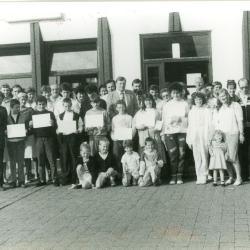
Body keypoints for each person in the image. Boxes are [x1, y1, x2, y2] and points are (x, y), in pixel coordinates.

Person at [213, 89, 244, 186]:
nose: (223, 97)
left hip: (233, 133)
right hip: (221, 135)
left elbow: (240, 121)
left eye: (224, 95)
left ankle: (239, 178)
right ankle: (231, 177)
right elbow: (216, 123)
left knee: (233, 157)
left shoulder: (235, 105)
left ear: (228, 95)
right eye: (221, 96)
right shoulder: (219, 108)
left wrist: (241, 134)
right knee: (225, 158)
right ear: (218, 98)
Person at [162, 82, 189, 185]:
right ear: (171, 94)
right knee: (173, 154)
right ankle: (173, 175)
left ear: (181, 93)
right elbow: (164, 119)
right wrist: (163, 133)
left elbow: (188, 118)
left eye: (178, 93)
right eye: (174, 93)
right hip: (170, 132)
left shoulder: (185, 103)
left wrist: (180, 118)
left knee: (182, 154)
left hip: (182, 131)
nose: (176, 95)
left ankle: (180, 175)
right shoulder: (167, 105)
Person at [30, 95, 58, 186]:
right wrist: (30, 125)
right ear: (36, 105)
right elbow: (30, 129)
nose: (41, 106)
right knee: (40, 160)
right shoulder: (33, 114)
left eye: (43, 104)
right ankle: (42, 180)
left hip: (49, 138)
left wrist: (53, 124)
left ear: (46, 104)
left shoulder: (50, 113)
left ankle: (54, 179)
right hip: (38, 139)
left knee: (51, 159)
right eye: (39, 104)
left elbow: (55, 127)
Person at [186, 92, 212, 184]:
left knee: (204, 155)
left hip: (204, 135)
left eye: (200, 99)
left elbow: (209, 124)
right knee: (197, 156)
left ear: (203, 100)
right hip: (194, 135)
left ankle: (205, 174)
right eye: (196, 99)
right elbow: (189, 126)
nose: (198, 101)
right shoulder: (191, 112)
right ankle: (199, 175)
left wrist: (209, 137)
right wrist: (189, 139)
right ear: (194, 101)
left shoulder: (206, 110)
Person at [57, 98, 83, 186]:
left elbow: (80, 127)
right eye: (65, 106)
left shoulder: (76, 115)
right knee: (64, 157)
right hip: (64, 138)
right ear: (63, 106)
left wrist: (78, 130)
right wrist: (58, 130)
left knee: (73, 157)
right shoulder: (60, 116)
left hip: (73, 138)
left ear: (71, 105)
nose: (67, 107)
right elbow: (58, 127)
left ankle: (74, 178)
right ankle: (65, 178)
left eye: (69, 106)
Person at [134, 94, 166, 163]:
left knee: (156, 152)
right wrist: (140, 126)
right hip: (143, 134)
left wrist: (156, 128)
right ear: (143, 102)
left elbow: (160, 123)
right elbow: (135, 125)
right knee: (144, 154)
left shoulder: (156, 111)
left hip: (154, 134)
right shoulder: (139, 112)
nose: (148, 102)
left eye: (149, 100)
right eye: (146, 100)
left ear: (152, 101)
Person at [6, 99, 29, 188]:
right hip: (10, 142)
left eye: (19, 107)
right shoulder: (7, 118)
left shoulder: (23, 116)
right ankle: (13, 180)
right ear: (11, 108)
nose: (18, 109)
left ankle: (21, 180)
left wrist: (26, 130)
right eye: (16, 107)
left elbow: (26, 127)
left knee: (20, 161)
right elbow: (4, 128)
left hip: (20, 141)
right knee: (12, 162)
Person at [111, 100, 135, 173]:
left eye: (122, 106)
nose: (120, 108)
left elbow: (133, 129)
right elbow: (112, 130)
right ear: (116, 108)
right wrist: (113, 138)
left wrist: (130, 137)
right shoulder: (114, 118)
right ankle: (119, 174)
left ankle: (129, 174)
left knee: (128, 157)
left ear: (125, 107)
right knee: (117, 156)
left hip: (127, 140)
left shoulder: (129, 117)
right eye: (119, 107)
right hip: (117, 140)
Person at [18, 92, 36, 182]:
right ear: (18, 100)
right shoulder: (15, 111)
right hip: (18, 137)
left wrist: (29, 128)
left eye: (25, 98)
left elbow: (33, 122)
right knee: (22, 156)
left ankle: (32, 174)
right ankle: (24, 175)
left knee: (29, 155)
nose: (23, 100)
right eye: (21, 99)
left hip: (29, 136)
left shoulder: (30, 110)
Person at [237, 78, 250, 180]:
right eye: (242, 87)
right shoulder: (236, 99)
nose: (244, 89)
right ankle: (245, 175)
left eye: (246, 87)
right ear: (239, 87)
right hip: (242, 130)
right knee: (243, 152)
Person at [0, 92, 7, 191]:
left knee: (0, 161)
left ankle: (0, 183)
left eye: (0, 98)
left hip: (0, 138)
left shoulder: (3, 110)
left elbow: (5, 123)